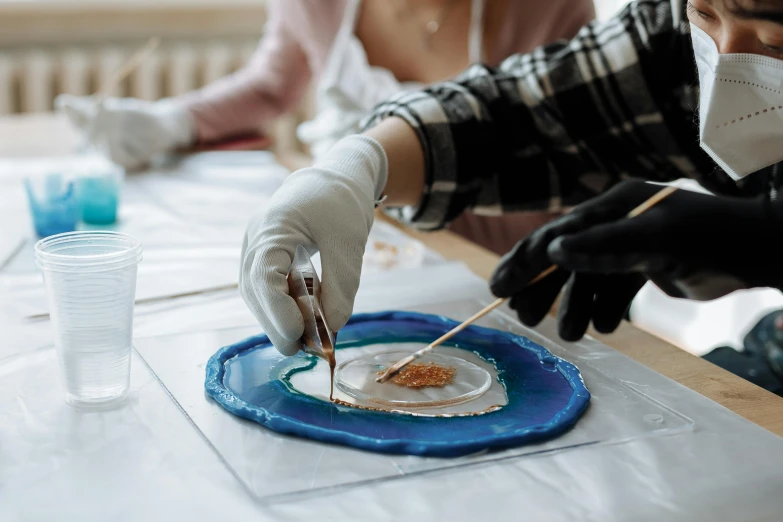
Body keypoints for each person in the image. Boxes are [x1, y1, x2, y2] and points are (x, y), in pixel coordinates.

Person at [239, 0, 783, 358]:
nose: (724, 64)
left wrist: (764, 241)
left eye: (775, 39)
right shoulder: (668, 33)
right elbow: (520, 113)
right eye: (705, 15)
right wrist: (359, 167)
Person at [56, 0, 595, 255]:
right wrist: (169, 122)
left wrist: (386, 178)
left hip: (482, 258)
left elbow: (567, 187)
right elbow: (271, 85)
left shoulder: (547, 10)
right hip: (356, 242)